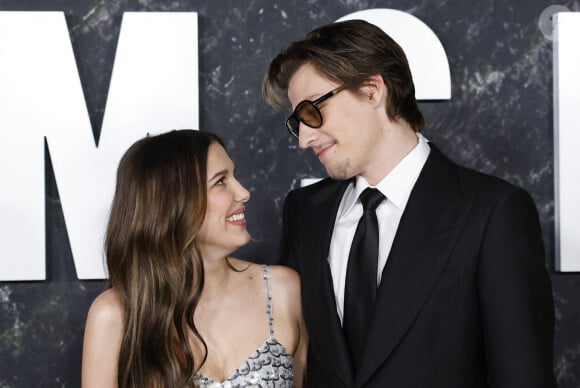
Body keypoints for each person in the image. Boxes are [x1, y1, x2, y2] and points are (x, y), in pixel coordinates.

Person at [263, 19, 556, 388]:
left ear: (372, 91)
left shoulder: (492, 212)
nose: (304, 138)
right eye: (297, 122)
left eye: (311, 112)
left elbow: (522, 377)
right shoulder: (305, 211)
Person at [81, 130, 307, 388]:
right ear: (173, 204)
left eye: (233, 176)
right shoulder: (114, 314)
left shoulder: (284, 289)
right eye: (221, 181)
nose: (244, 192)